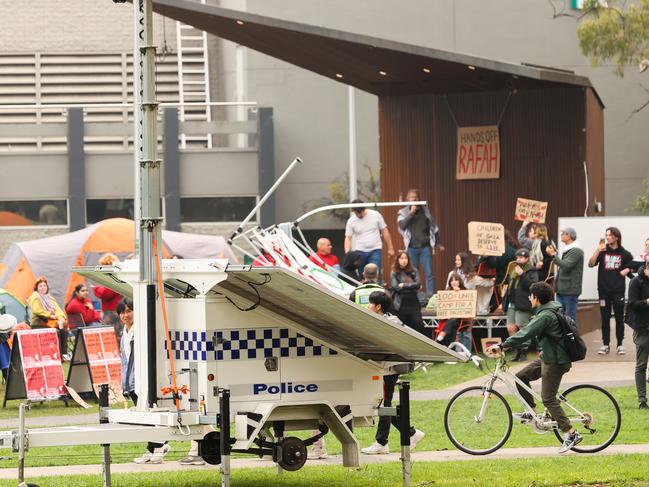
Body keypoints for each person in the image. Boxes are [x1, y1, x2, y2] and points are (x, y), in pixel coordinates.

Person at [488, 282, 583, 454]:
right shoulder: (547, 312)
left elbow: (526, 333)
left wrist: (502, 346)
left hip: (555, 362)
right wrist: (511, 345)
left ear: (536, 298)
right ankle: (530, 411)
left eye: (530, 296)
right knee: (521, 376)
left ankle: (571, 433)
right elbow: (529, 336)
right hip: (547, 357)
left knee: (548, 398)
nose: (529, 298)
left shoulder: (545, 316)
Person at [361, 291, 425, 454]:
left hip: (388, 369)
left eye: (370, 303)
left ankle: (382, 442)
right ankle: (409, 433)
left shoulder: (389, 323)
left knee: (384, 405)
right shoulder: (387, 320)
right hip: (385, 368)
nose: (367, 306)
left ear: (378, 307)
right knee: (384, 405)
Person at [118, 298, 171, 464]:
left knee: (150, 416)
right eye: (122, 312)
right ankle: (152, 448)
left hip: (143, 381)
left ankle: (160, 445)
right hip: (131, 381)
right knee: (143, 419)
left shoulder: (140, 331)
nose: (126, 315)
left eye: (129, 311)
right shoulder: (124, 333)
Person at [588, 227, 635, 355]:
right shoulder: (602, 252)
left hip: (618, 291)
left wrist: (628, 270)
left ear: (616, 237)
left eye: (609, 235)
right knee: (605, 318)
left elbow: (635, 267)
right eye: (606, 235)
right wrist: (597, 250)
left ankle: (620, 344)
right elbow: (590, 264)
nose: (607, 237)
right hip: (603, 291)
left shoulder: (624, 253)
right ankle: (605, 344)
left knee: (619, 318)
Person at [396, 189, 443, 297]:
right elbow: (402, 225)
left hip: (425, 247)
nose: (414, 199)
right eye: (411, 197)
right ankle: (414, 295)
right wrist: (411, 213)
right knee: (413, 272)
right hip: (411, 247)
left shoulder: (425, 211)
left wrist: (438, 243)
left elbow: (434, 228)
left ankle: (431, 296)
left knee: (429, 273)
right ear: (407, 199)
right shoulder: (403, 212)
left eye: (416, 197)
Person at [496, 249, 538, 362]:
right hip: (512, 302)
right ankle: (516, 350)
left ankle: (524, 350)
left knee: (522, 326)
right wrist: (502, 302)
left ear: (527, 258)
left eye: (521, 257)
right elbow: (509, 288)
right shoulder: (513, 271)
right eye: (517, 257)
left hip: (523, 302)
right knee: (511, 327)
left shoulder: (532, 270)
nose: (518, 259)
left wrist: (523, 274)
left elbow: (532, 286)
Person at [344, 200, 395, 280]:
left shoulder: (375, 215)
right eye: (356, 213)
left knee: (375, 272)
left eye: (360, 212)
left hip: (375, 250)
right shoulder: (351, 221)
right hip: (360, 251)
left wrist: (390, 248)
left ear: (364, 209)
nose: (359, 215)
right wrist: (347, 253)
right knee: (362, 275)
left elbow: (384, 231)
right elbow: (348, 238)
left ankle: (377, 291)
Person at [545, 228, 583, 323]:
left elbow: (566, 266)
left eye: (563, 233)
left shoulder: (576, 251)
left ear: (569, 235)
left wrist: (554, 255)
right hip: (562, 289)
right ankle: (565, 338)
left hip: (570, 290)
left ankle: (572, 338)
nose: (561, 235)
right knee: (561, 318)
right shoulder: (568, 250)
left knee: (569, 318)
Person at [27, 276, 69, 359]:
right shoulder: (34, 296)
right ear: (36, 288)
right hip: (39, 322)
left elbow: (58, 309)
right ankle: (55, 354)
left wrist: (60, 317)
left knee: (64, 331)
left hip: (51, 322)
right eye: (40, 286)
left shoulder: (49, 298)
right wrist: (50, 315)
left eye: (44, 286)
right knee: (56, 331)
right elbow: (37, 310)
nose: (43, 288)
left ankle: (63, 354)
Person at [626, 259, 649, 409]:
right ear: (647, 268)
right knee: (641, 365)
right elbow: (632, 304)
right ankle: (642, 400)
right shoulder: (636, 282)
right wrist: (647, 302)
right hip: (642, 328)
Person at [389, 251, 427, 337]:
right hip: (401, 303)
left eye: (406, 258)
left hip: (413, 303)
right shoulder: (394, 272)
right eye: (401, 258)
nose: (404, 260)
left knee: (419, 326)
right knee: (402, 328)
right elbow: (396, 287)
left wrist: (404, 285)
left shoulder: (413, 271)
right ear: (398, 260)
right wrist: (411, 286)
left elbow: (418, 284)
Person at [435, 273, 473, 350]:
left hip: (463, 319)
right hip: (449, 320)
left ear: (460, 282)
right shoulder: (447, 292)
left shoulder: (466, 292)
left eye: (456, 280)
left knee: (454, 318)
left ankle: (441, 336)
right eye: (452, 281)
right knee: (452, 322)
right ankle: (450, 351)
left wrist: (458, 293)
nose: (454, 282)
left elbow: (468, 307)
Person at [94, 253, 123, 336]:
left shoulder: (113, 279)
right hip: (112, 311)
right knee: (114, 335)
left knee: (109, 336)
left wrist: (96, 289)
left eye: (102, 266)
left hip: (112, 312)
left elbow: (106, 294)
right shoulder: (115, 278)